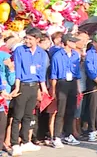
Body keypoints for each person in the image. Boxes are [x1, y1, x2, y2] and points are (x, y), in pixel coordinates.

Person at [10, 27, 49, 156]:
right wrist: (16, 87)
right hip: (23, 85)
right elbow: (18, 71)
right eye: (26, 38)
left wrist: (43, 89)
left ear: (37, 40)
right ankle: (14, 143)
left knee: (29, 115)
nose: (27, 41)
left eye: (30, 39)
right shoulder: (20, 50)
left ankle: (25, 141)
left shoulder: (41, 53)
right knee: (17, 116)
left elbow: (41, 73)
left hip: (34, 86)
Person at [49, 34, 82, 148]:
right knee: (61, 111)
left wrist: (78, 89)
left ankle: (68, 134)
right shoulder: (57, 55)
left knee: (71, 110)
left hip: (72, 82)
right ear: (67, 42)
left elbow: (77, 74)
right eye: (73, 41)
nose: (75, 43)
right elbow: (54, 74)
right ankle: (56, 137)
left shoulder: (75, 55)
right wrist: (53, 91)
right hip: (61, 83)